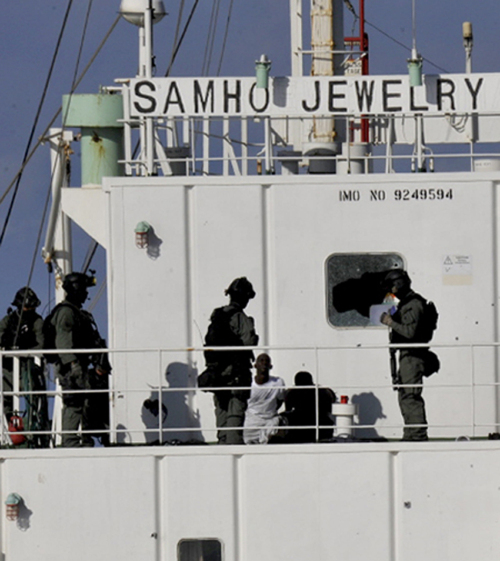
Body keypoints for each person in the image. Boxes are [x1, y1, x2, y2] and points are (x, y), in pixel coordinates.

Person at [49, 272, 111, 447]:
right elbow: (63, 342)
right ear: (76, 289)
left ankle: (83, 438)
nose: (85, 294)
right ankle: (70, 440)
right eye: (83, 289)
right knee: (74, 401)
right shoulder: (66, 313)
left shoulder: (76, 312)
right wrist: (73, 364)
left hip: (80, 365)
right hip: (71, 366)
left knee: (85, 401)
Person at [380, 269, 438, 442]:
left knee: (411, 396)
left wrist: (390, 322)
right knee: (405, 395)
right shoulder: (406, 303)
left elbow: (410, 332)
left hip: (413, 356)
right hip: (407, 356)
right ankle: (411, 434)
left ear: (399, 284)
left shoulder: (413, 304)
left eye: (392, 287)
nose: (391, 291)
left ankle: (417, 435)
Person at [202, 277, 259, 444]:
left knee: (221, 411)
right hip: (236, 372)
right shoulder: (240, 317)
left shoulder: (218, 315)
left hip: (217, 372)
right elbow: (249, 343)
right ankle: (233, 446)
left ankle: (222, 444)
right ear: (244, 297)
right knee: (235, 412)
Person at [0, 287, 49, 445]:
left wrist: (24, 351)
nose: (30, 310)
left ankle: (33, 432)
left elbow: (41, 345)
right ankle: (10, 429)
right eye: (27, 306)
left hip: (28, 368)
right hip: (8, 369)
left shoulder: (37, 321)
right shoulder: (8, 321)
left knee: (34, 399)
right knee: (5, 399)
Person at [243, 353, 286, 444]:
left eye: (267, 361)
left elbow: (280, 401)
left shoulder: (278, 383)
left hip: (270, 421)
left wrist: (268, 412)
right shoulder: (248, 383)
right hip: (251, 423)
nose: (264, 363)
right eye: (261, 361)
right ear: (255, 365)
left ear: (270, 366)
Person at [284, 371, 336, 443]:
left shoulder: (292, 393)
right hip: (321, 425)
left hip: (300, 427)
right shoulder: (323, 391)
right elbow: (329, 409)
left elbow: (288, 409)